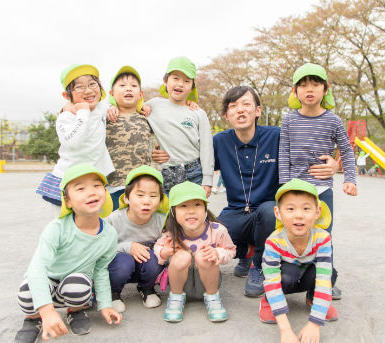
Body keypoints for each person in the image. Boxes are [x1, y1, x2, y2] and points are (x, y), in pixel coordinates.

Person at [152, 85, 339, 298]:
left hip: (269, 214)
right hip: (236, 212)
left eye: (246, 104)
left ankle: (258, 266)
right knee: (212, 232)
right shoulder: (219, 141)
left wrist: (334, 165)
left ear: (258, 110)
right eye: (233, 106)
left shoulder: (276, 136)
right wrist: (164, 155)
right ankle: (246, 253)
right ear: (226, 115)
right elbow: (193, 159)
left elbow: (304, 151)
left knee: (270, 211)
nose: (240, 110)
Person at [15, 163, 121, 343]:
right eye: (80, 188)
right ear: (68, 201)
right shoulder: (56, 229)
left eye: (97, 186)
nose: (92, 192)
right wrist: (47, 311)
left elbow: (101, 270)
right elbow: (36, 269)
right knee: (26, 291)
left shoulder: (109, 234)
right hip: (46, 284)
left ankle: (75, 311)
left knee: (79, 285)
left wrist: (105, 305)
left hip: (73, 287)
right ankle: (33, 319)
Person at [280, 63, 358, 301]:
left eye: (315, 84)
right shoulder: (289, 120)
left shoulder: (333, 121)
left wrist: (350, 179)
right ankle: (288, 279)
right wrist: (284, 186)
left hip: (322, 190)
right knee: (292, 234)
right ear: (295, 91)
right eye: (303, 85)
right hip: (295, 190)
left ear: (326, 89)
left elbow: (346, 149)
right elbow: (284, 153)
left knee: (323, 237)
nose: (309, 90)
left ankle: (322, 284)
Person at [111, 57, 214, 196]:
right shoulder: (154, 105)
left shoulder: (198, 113)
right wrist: (110, 106)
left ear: (192, 87)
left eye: (186, 81)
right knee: (167, 215)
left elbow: (207, 148)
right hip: (167, 172)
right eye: (175, 78)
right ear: (165, 81)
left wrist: (207, 180)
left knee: (193, 214)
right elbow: (128, 105)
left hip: (193, 171)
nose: (180, 84)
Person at [260, 179, 338, 343]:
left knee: (330, 274)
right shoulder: (273, 242)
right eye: (290, 208)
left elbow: (323, 279)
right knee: (288, 275)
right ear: (278, 213)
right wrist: (286, 330)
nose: (299, 215)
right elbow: (272, 281)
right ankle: (267, 301)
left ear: (317, 212)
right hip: (286, 277)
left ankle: (312, 297)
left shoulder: (323, 239)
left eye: (306, 208)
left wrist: (314, 323)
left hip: (307, 274)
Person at [36, 64, 114, 217]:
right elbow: (72, 142)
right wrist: (82, 112)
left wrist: (113, 107)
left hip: (91, 180)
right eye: (79, 87)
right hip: (67, 179)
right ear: (67, 96)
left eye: (92, 84)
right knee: (64, 224)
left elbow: (115, 100)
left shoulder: (100, 109)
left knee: (92, 223)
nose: (88, 90)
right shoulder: (66, 117)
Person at [154, 181, 236, 322]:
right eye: (183, 206)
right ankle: (175, 299)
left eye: (197, 204)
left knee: (204, 255)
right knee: (181, 256)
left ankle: (213, 299)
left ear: (205, 209)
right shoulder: (171, 233)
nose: (191, 211)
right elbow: (157, 248)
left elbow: (230, 250)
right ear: (173, 212)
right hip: (179, 286)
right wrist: (166, 252)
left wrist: (217, 253)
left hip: (208, 284)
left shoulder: (217, 230)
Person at [105, 165, 166, 312]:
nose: (147, 201)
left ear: (160, 200)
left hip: (145, 267)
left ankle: (147, 288)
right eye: (140, 195)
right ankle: (114, 293)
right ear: (126, 198)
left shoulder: (162, 220)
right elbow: (101, 248)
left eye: (153, 196)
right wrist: (128, 247)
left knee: (155, 258)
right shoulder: (113, 220)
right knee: (124, 261)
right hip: (120, 267)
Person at [105, 66, 152, 209]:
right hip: (113, 186)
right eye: (122, 85)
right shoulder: (106, 116)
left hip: (141, 186)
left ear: (141, 94)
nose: (128, 89)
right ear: (112, 93)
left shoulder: (147, 118)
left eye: (133, 86)